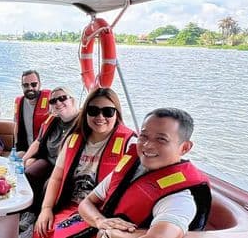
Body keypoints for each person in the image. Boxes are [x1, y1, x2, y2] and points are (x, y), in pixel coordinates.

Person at [76, 108, 211, 238]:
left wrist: (111, 233)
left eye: (161, 139)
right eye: (144, 136)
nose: (147, 145)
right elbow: (87, 202)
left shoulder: (180, 198)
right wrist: (100, 221)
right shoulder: (131, 167)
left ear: (185, 148)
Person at [33, 88, 136, 238]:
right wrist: (46, 209)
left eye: (108, 112)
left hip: (102, 212)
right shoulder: (73, 140)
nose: (100, 117)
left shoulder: (130, 145)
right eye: (93, 111)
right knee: (41, 231)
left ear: (117, 114)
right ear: (86, 112)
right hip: (71, 208)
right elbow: (56, 178)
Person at [18, 86, 80, 231]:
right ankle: (29, 213)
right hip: (50, 161)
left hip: (67, 168)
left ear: (72, 99)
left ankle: (40, 217)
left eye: (62, 98)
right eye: (53, 101)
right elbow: (38, 142)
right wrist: (22, 160)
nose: (58, 103)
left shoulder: (82, 123)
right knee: (29, 172)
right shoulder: (53, 121)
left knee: (48, 186)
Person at [14, 70, 51, 157]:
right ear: (22, 86)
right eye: (26, 85)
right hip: (26, 149)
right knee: (13, 159)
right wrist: (16, 146)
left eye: (34, 84)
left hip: (44, 150)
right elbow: (16, 126)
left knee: (29, 163)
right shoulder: (18, 102)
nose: (30, 88)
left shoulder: (50, 100)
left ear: (39, 84)